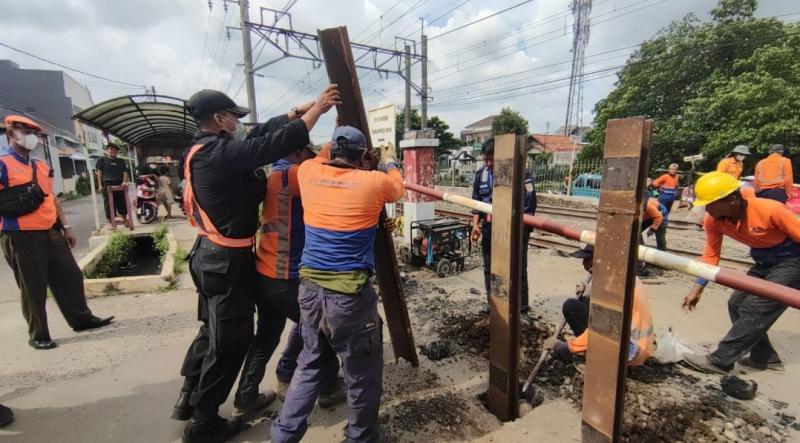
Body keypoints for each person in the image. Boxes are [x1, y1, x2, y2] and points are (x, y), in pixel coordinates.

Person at [173, 87, 340, 443]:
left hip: (212, 255)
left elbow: (259, 135)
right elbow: (264, 145)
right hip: (225, 261)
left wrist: (299, 110)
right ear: (219, 119)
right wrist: (318, 113)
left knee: (213, 330)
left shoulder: (202, 148)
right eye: (233, 116)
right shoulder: (220, 154)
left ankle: (188, 397)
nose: (238, 122)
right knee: (230, 341)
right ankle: (204, 422)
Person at [271, 126, 404, 443]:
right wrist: (388, 160)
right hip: (349, 299)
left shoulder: (308, 172)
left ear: (331, 151)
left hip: (309, 293)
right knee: (361, 374)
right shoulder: (374, 182)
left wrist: (338, 143)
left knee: (310, 365)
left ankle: (282, 436)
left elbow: (322, 155)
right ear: (362, 157)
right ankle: (360, 437)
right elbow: (397, 189)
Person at [230, 141, 346, 419]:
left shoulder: (274, 174)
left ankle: (246, 396)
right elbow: (331, 178)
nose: (311, 159)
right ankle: (329, 388)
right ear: (296, 152)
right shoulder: (294, 175)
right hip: (285, 277)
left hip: (266, 272)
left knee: (267, 336)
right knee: (322, 332)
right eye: (308, 152)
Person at [0, 115, 113, 350]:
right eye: (25, 132)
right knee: (33, 286)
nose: (32, 138)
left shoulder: (40, 166)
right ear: (11, 134)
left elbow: (52, 199)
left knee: (70, 275)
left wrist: (66, 227)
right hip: (20, 234)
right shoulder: (3, 164)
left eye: (34, 134)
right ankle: (39, 334)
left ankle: (81, 319)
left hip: (50, 230)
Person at [681, 171, 800, 375]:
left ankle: (720, 361)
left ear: (733, 199)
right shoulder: (713, 220)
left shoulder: (770, 209)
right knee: (736, 303)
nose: (707, 209)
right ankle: (765, 357)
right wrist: (697, 288)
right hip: (764, 262)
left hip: (793, 262)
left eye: (711, 203)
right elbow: (710, 256)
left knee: (757, 306)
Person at [545, 244, 655, 366]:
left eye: (587, 260)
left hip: (631, 352)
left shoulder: (614, 290)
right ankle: (590, 350)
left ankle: (596, 356)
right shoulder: (625, 276)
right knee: (572, 306)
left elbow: (600, 329)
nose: (583, 264)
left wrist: (564, 347)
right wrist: (590, 292)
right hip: (642, 346)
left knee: (576, 309)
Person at [470, 137, 537, 314]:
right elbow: (476, 202)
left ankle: (521, 309)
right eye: (485, 159)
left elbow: (529, 208)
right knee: (489, 267)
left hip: (515, 231)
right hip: (489, 228)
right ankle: (493, 303)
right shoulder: (481, 175)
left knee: (518, 268)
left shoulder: (521, 175)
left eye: (491, 159)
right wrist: (475, 225)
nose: (488, 163)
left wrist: (519, 233)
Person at [95, 143, 130, 224]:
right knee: (108, 203)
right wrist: (100, 185)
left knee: (121, 202)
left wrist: (124, 181)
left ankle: (125, 220)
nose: (112, 151)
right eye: (111, 149)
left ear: (117, 151)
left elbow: (125, 172)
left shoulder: (121, 161)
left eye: (115, 150)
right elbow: (99, 173)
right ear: (107, 150)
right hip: (107, 184)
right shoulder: (102, 160)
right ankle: (111, 222)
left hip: (119, 184)